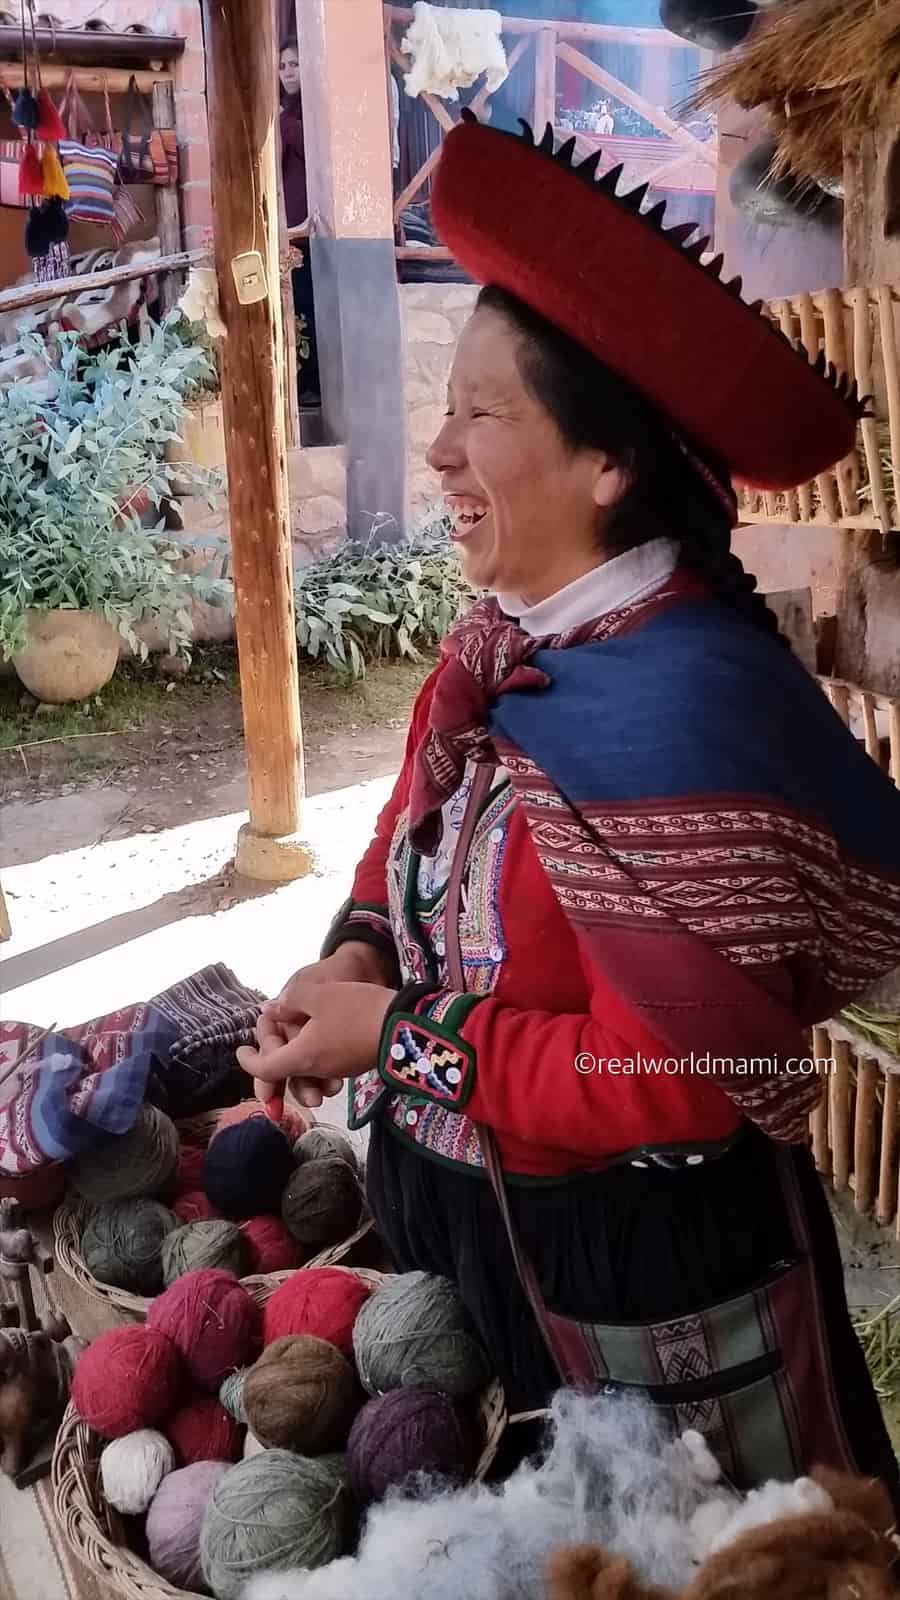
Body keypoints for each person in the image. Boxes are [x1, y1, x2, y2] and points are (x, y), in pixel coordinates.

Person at [238, 115, 900, 1499]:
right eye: (448, 410)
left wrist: (399, 1041)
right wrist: (356, 956)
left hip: (649, 1288)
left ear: (607, 467)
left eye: (483, 414)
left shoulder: (690, 715)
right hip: (474, 1245)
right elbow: (406, 839)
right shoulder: (493, 657)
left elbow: (675, 1076)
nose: (439, 449)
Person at [279, 39, 319, 408]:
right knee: (296, 309)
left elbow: (311, 149)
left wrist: (283, 123)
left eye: (293, 64)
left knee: (308, 307)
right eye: (283, 66)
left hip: (309, 230)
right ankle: (302, 384)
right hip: (290, 229)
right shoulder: (284, 111)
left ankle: (312, 387)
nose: (288, 72)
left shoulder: (309, 111)